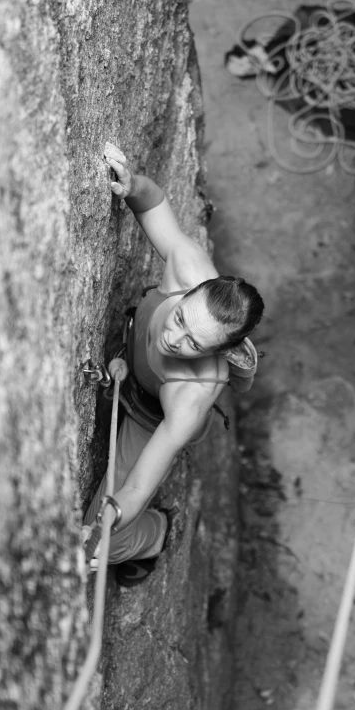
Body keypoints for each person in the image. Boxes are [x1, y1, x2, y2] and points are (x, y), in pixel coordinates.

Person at [82, 142, 264, 587]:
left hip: (152, 412)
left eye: (193, 342)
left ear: (218, 352)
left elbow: (141, 484)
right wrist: (132, 185)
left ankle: (154, 535)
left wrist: (114, 515)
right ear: (191, 290)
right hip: (136, 365)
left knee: (102, 544)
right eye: (181, 318)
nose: (173, 336)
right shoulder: (188, 267)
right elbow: (155, 206)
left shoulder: (191, 396)